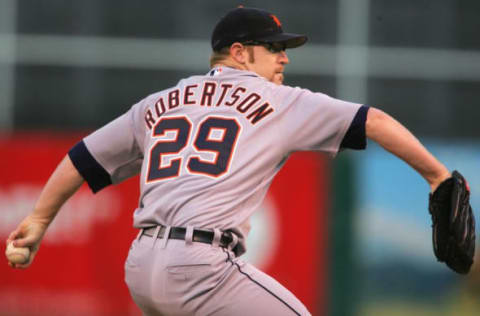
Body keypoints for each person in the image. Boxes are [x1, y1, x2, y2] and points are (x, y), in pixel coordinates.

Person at [6, 7, 452, 316]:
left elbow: (82, 158)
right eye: (273, 48)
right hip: (201, 266)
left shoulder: (160, 102)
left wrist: (40, 221)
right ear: (239, 52)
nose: (284, 57)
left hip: (141, 266)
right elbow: (371, 121)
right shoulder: (278, 100)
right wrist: (436, 175)